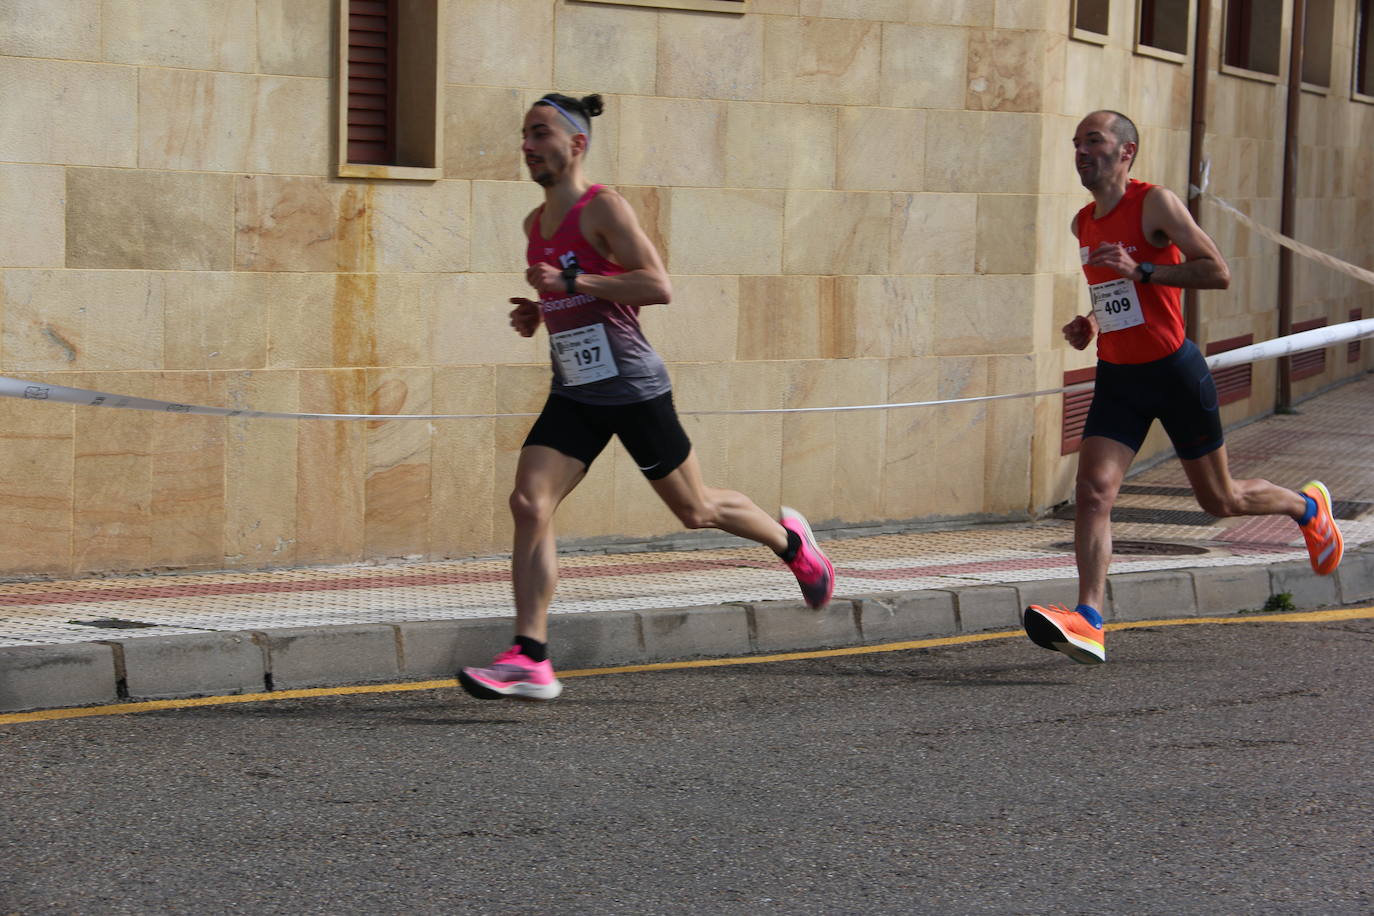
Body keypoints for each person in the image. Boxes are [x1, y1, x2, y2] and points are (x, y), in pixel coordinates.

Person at [459, 92, 835, 700]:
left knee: (696, 510)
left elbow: (656, 285)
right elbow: (574, 296)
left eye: (539, 134)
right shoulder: (534, 224)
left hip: (633, 389)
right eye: (524, 135)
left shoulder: (602, 207)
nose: (526, 146)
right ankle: (530, 656)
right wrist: (542, 308)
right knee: (530, 503)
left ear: (576, 145)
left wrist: (573, 280)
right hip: (577, 390)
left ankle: (794, 545)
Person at [1023, 110, 1343, 665]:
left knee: (1220, 499)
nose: (1080, 151)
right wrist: (1090, 324)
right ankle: (1091, 619)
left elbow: (1216, 271)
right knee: (1095, 492)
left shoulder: (1156, 205)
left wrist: (1143, 271)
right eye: (1075, 143)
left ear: (1126, 151)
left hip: (1174, 372)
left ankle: (1308, 509)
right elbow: (1113, 295)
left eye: (1092, 141)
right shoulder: (1083, 224)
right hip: (1118, 377)